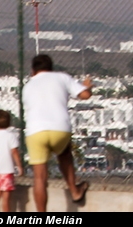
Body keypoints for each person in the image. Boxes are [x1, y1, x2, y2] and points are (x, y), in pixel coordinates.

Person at [22, 54, 92, 211]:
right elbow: (85, 95)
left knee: (39, 178)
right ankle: (74, 190)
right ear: (51, 68)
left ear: (33, 71)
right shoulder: (62, 77)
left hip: (35, 131)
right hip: (60, 128)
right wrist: (86, 85)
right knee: (65, 154)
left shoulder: (27, 86)